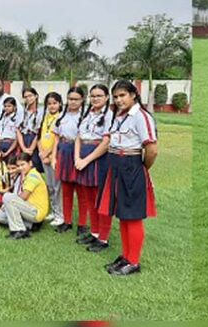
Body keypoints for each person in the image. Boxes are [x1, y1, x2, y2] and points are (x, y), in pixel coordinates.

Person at [96, 80, 158, 276]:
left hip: (131, 166)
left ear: (133, 95)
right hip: (116, 167)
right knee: (123, 214)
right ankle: (126, 256)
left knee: (133, 216)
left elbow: (152, 150)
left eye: (122, 95)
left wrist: (141, 169)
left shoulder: (141, 116)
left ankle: (134, 261)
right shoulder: (118, 115)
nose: (119, 100)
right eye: (115, 96)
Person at [74, 84, 113, 251]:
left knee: (101, 199)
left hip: (99, 159)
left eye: (99, 95)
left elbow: (106, 142)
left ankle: (103, 238)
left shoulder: (110, 115)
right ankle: (95, 232)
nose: (95, 99)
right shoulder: (87, 114)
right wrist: (77, 157)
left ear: (106, 98)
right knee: (89, 197)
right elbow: (79, 137)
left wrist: (86, 160)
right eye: (93, 96)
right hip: (83, 157)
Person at [53, 87, 85, 233]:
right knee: (66, 189)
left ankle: (82, 224)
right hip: (64, 151)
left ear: (82, 100)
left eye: (76, 99)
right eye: (70, 99)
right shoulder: (62, 117)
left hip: (79, 152)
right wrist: (54, 157)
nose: (72, 102)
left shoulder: (85, 116)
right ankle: (67, 221)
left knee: (81, 190)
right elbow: (56, 138)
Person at [1, 152, 50, 240]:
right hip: (29, 208)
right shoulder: (29, 174)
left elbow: (23, 197)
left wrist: (9, 203)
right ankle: (30, 225)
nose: (20, 168)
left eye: (23, 164)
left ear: (30, 163)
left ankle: (19, 231)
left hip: (36, 212)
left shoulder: (33, 176)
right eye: (19, 166)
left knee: (7, 197)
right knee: (0, 216)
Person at [39, 92, 65, 225]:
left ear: (60, 103)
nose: (52, 106)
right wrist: (42, 153)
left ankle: (60, 215)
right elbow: (40, 136)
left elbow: (58, 140)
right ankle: (54, 211)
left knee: (57, 186)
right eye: (49, 103)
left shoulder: (61, 118)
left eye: (55, 103)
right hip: (44, 157)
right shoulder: (46, 117)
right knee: (50, 186)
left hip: (55, 156)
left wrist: (49, 154)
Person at [17, 86, 45, 174]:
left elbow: (39, 131)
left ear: (36, 96)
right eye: (26, 97)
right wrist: (23, 148)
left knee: (35, 166)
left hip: (36, 140)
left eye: (30, 96)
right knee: (24, 165)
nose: (28, 98)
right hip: (24, 140)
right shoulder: (22, 112)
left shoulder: (42, 111)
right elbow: (18, 130)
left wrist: (31, 148)